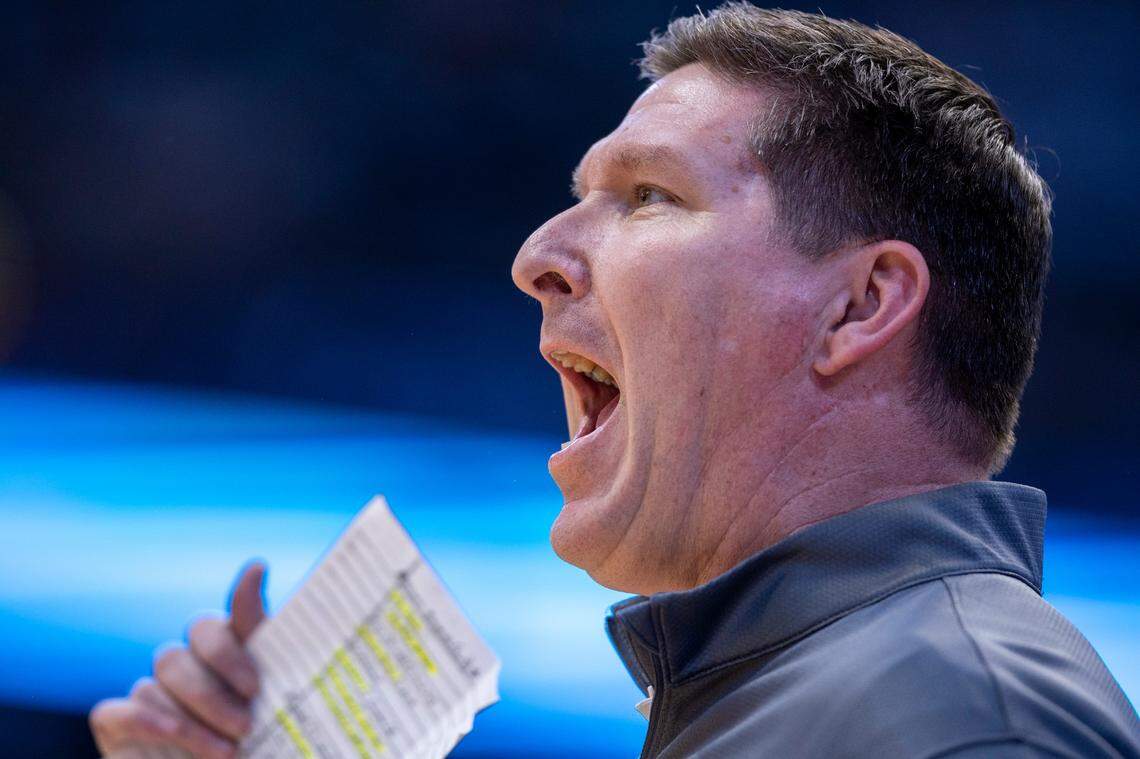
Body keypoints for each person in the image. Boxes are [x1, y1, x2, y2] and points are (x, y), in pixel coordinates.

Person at [90, 4, 1140, 757]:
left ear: (860, 308)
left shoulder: (964, 713)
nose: (536, 254)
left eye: (647, 196)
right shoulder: (829, 691)